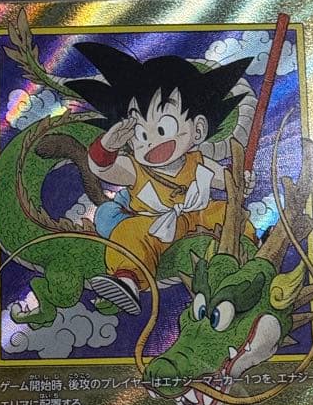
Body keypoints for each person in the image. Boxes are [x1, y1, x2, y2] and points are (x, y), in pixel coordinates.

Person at [67, 42, 254, 314]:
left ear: (198, 130)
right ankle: (127, 280)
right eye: (141, 134)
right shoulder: (135, 168)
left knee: (230, 214)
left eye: (163, 128)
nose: (151, 142)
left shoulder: (198, 162)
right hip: (152, 225)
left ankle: (249, 260)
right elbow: (101, 168)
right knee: (129, 232)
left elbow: (227, 181)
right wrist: (107, 145)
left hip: (198, 218)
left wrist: (241, 184)